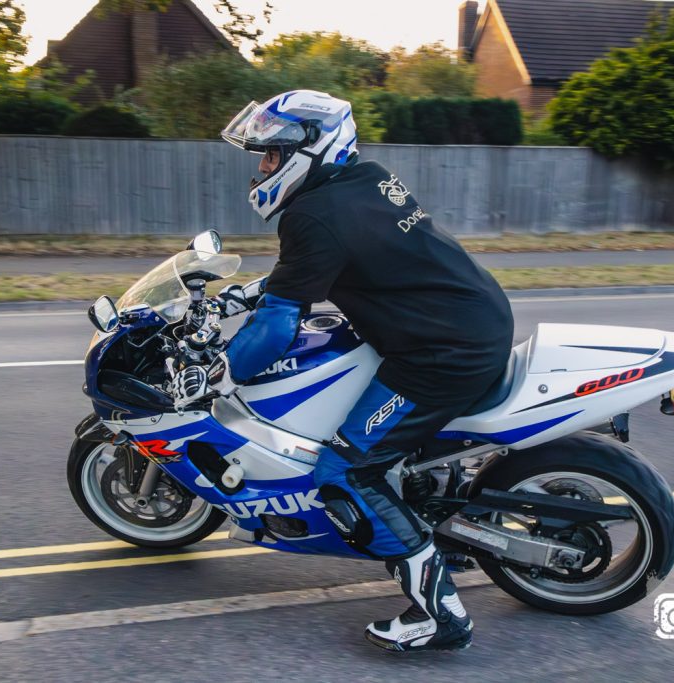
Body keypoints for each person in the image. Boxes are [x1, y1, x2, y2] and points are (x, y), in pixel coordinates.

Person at [171, 90, 513, 652]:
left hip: (442, 355)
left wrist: (217, 377)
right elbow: (320, 267)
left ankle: (442, 615)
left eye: (272, 156)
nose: (262, 168)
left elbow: (281, 325)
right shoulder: (363, 180)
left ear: (311, 149)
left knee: (346, 470)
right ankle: (427, 527)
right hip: (470, 319)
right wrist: (241, 297)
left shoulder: (313, 216)